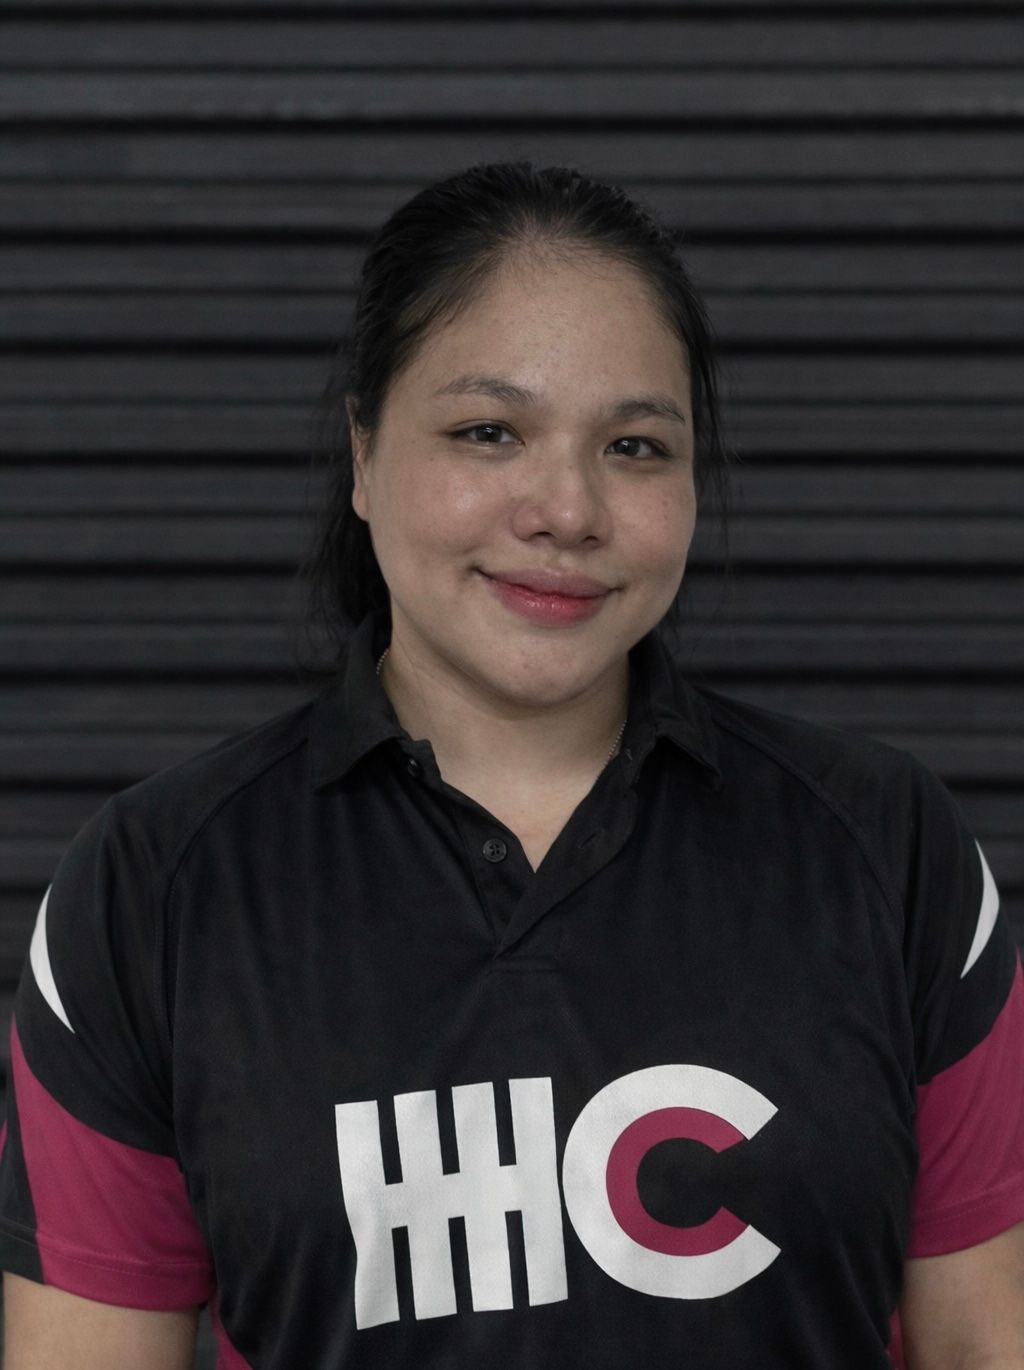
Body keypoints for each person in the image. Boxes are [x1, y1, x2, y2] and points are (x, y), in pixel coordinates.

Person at [1, 161, 1022, 1370]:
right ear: (365, 451)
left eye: (636, 445)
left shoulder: (888, 849)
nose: (567, 507)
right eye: (489, 431)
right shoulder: (149, 891)